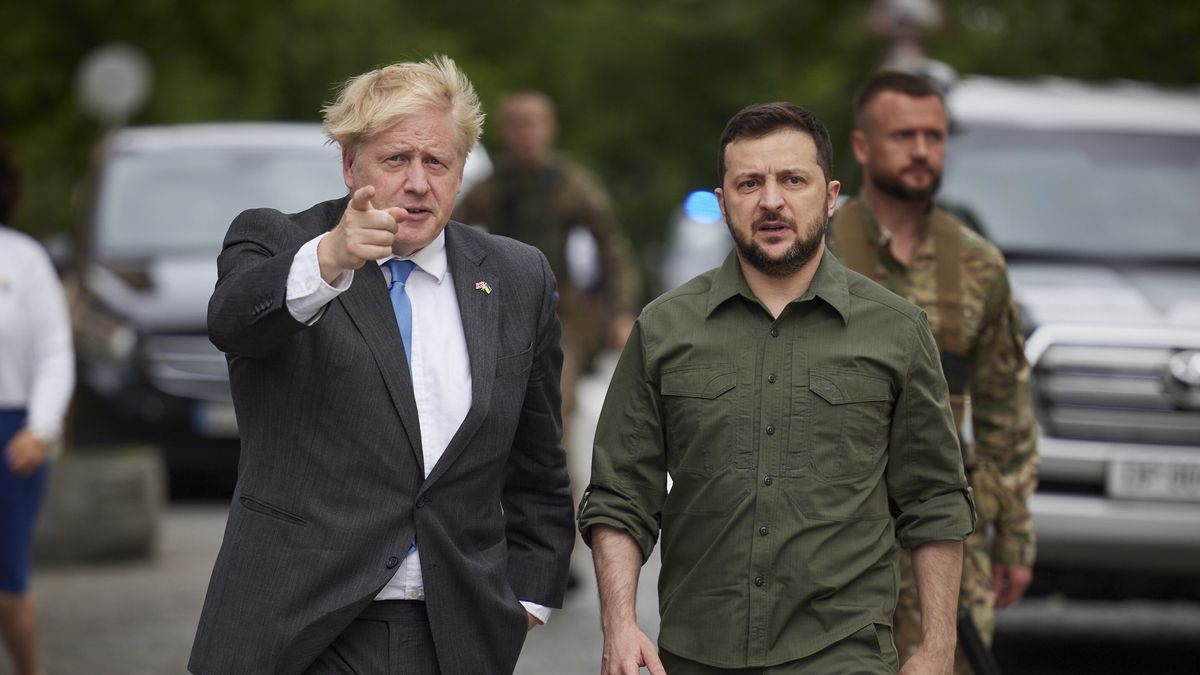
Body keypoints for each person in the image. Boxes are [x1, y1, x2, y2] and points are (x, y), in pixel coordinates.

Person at [188, 56, 575, 675]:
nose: (418, 182)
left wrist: (527, 597)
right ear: (350, 165)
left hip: (455, 632)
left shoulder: (517, 276)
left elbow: (538, 463)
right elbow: (231, 320)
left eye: (437, 162)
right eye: (396, 159)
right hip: (299, 629)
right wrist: (329, 260)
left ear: (461, 172)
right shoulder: (280, 242)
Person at [579, 102, 976, 675]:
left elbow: (934, 499)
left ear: (830, 196)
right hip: (697, 653)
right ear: (723, 204)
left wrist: (938, 649)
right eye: (749, 183)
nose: (771, 201)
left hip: (842, 652)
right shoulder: (663, 328)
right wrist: (618, 624)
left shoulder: (896, 330)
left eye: (793, 180)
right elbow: (621, 494)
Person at [828, 70, 1038, 674]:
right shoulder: (815, 249)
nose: (922, 151)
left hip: (945, 534)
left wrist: (1015, 534)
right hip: (831, 531)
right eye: (904, 136)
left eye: (934, 136)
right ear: (862, 146)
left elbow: (1004, 405)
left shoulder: (976, 263)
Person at [453, 90, 642, 495]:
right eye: (517, 124)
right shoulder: (491, 189)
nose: (526, 134)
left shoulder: (572, 186)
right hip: (500, 314)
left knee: (553, 410)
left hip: (562, 320)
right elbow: (451, 239)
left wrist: (621, 313)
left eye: (534, 123)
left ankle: (557, 511)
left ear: (550, 128)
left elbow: (613, 249)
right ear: (503, 131)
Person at [0, 145, 75, 675]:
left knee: (7, 588)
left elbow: (54, 352)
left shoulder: (23, 259)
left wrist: (41, 428)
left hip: (12, 437)